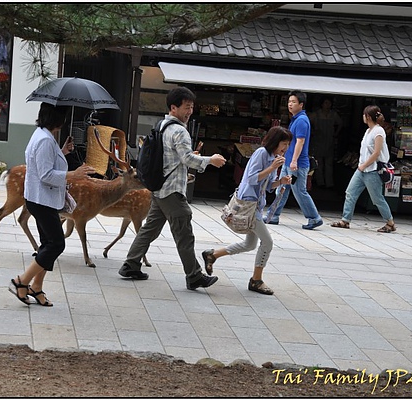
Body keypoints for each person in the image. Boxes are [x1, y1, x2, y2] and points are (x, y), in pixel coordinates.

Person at [118, 87, 226, 290]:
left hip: (159, 188)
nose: (190, 111)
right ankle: (194, 276)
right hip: (172, 191)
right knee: (184, 232)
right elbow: (187, 158)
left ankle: (131, 264)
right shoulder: (180, 131)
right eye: (186, 107)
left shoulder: (161, 126)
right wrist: (210, 160)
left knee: (150, 229)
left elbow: (174, 157)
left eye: (192, 107)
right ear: (173, 107)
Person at [9, 103, 96, 306]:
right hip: (42, 199)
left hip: (39, 198)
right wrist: (73, 174)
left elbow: (44, 164)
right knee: (57, 243)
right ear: (58, 119)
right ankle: (22, 281)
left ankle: (36, 287)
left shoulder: (42, 135)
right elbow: (46, 174)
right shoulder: (45, 140)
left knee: (47, 244)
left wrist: (62, 151)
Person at [202, 126, 293, 295]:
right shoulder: (262, 154)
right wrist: (272, 168)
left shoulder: (275, 157)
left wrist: (281, 182)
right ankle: (256, 280)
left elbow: (268, 186)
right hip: (248, 204)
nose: (286, 148)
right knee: (267, 242)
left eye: (288, 144)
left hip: (256, 205)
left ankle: (212, 255)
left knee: (250, 244)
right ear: (275, 141)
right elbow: (251, 178)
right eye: (284, 143)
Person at [263, 90, 323, 230]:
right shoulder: (296, 119)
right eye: (289, 102)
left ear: (301, 104)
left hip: (297, 165)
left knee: (299, 191)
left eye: (293, 102)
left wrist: (294, 161)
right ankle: (273, 215)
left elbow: (300, 142)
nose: (290, 104)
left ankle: (314, 218)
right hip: (288, 162)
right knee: (282, 188)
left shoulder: (301, 120)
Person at [331, 105, 396, 233]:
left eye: (364, 115)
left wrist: (364, 165)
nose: (363, 117)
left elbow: (376, 153)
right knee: (350, 193)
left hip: (372, 170)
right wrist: (362, 166)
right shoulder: (368, 131)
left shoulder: (379, 131)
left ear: (368, 117)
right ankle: (345, 220)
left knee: (377, 198)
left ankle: (390, 222)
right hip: (362, 169)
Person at [308, 96, 342, 188]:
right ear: (322, 104)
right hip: (318, 140)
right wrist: (312, 132)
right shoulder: (316, 114)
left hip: (329, 140)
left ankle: (329, 183)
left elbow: (340, 123)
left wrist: (336, 133)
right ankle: (320, 182)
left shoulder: (333, 114)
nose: (327, 105)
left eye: (329, 103)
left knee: (329, 163)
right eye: (326, 103)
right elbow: (307, 122)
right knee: (319, 163)